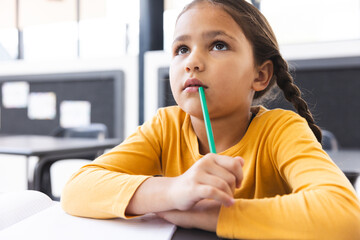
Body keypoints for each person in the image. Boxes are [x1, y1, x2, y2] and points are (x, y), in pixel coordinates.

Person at [61, 0, 360, 239]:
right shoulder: (164, 127)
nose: (191, 61)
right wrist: (172, 191)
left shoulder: (281, 131)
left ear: (260, 75)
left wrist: (212, 214)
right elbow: (77, 188)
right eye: (181, 49)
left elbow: (345, 217)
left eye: (218, 45)